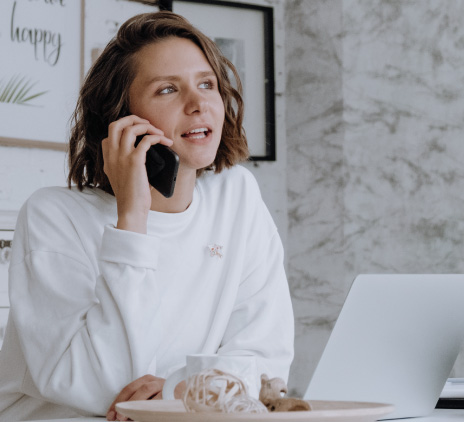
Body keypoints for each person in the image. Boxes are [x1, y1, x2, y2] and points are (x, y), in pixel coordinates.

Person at [0, 11, 294, 422]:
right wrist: (132, 219)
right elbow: (103, 386)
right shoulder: (53, 216)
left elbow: (265, 359)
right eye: (168, 90)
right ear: (121, 119)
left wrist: (176, 391)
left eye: (207, 84)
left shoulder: (238, 196)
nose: (198, 104)